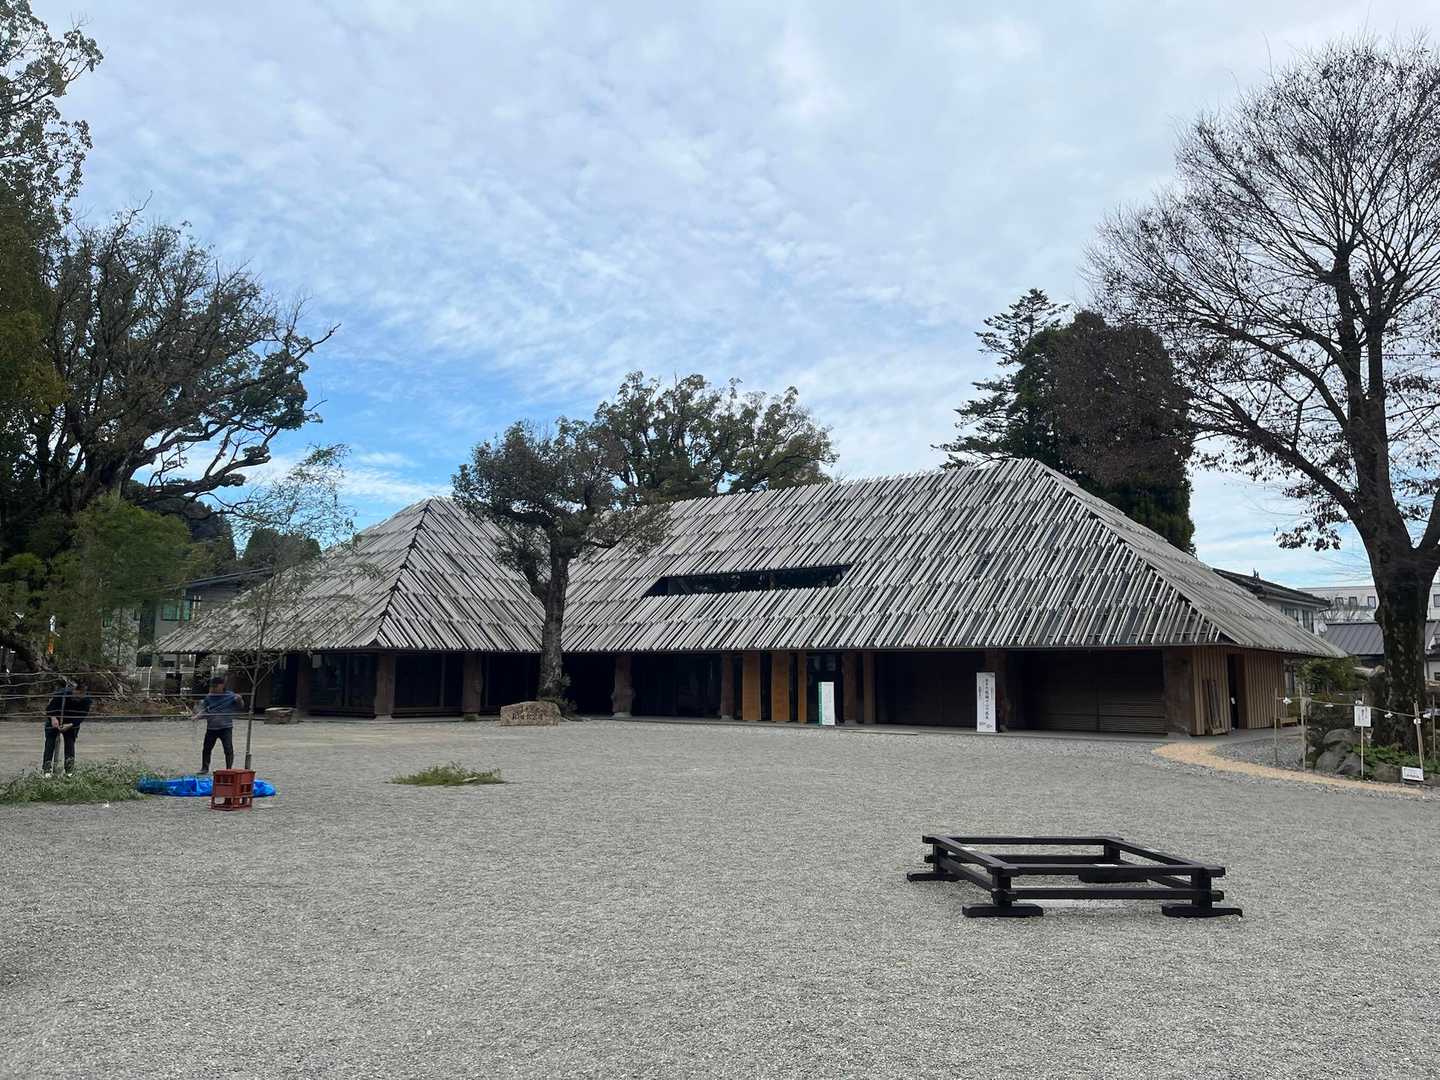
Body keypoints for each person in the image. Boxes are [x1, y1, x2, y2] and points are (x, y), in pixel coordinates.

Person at [43, 678, 93, 778]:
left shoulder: (87, 700)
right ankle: (47, 770)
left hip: (71, 723)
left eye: (81, 696)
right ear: (74, 690)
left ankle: (69, 771)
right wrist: (53, 718)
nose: (78, 698)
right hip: (55, 719)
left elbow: (82, 716)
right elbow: (49, 708)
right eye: (77, 695)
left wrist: (71, 724)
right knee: (50, 742)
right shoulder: (61, 694)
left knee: (70, 743)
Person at [196, 675, 242, 773]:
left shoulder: (230, 695)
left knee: (228, 748)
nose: (213, 688)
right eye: (212, 686)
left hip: (226, 727)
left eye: (215, 686)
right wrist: (197, 716)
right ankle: (205, 768)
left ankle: (229, 768)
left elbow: (240, 706)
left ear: (222, 686)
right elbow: (204, 710)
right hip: (211, 727)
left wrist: (239, 700)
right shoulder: (209, 697)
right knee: (207, 748)